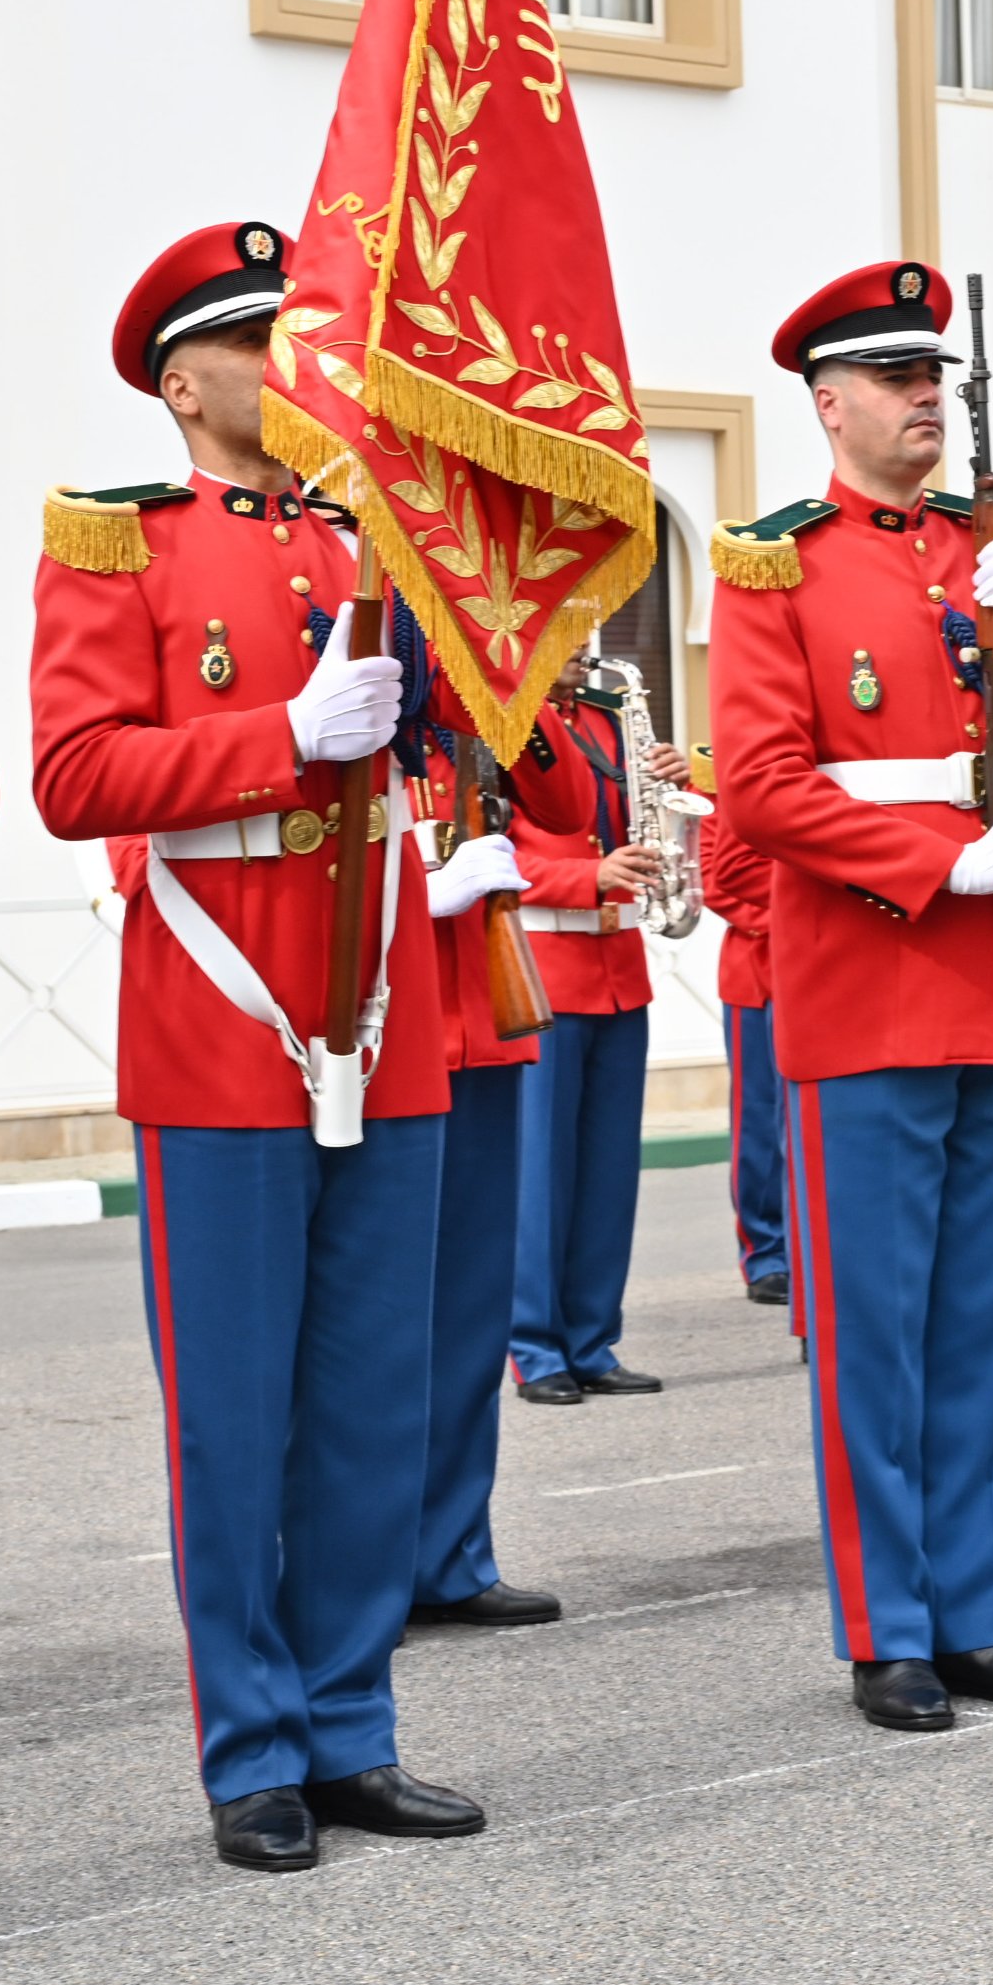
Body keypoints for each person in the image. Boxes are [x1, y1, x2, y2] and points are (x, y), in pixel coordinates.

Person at [27, 219, 483, 1872]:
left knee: (373, 1391)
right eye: (259, 345)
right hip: (222, 1004)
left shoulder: (376, 540)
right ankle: (254, 1742)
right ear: (183, 380)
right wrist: (275, 735)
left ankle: (352, 1718)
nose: (297, 370)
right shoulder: (117, 545)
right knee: (239, 1405)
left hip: (380, 984)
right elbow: (74, 773)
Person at [708, 260, 993, 1732]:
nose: (922, 403)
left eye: (934, 381)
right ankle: (886, 1626)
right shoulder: (776, 563)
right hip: (876, 969)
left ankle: (973, 1612)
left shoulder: (990, 553)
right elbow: (766, 792)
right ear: (828, 405)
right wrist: (939, 864)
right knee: (874, 1326)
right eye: (895, 382)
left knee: (973, 1326)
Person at [410, 673, 592, 1619]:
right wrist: (420, 890)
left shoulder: (470, 704)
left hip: (483, 1021)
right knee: (379, 1326)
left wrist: (503, 676)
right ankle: (357, 1566)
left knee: (469, 1319)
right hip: (377, 1028)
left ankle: (451, 1553)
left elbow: (569, 805)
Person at [504, 657, 669, 1402]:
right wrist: (582, 880)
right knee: (540, 1172)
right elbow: (475, 844)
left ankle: (592, 1339)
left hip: (617, 967)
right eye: (566, 629)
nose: (582, 647)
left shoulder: (605, 718)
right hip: (542, 964)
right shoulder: (498, 718)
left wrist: (667, 787)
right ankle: (534, 1347)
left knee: (607, 1175)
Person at [697, 786, 794, 1307]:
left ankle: (808, 1246)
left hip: (828, 971)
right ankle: (766, 1251)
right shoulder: (720, 778)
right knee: (760, 1122)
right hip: (760, 973)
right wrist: (807, 922)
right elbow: (713, 879)